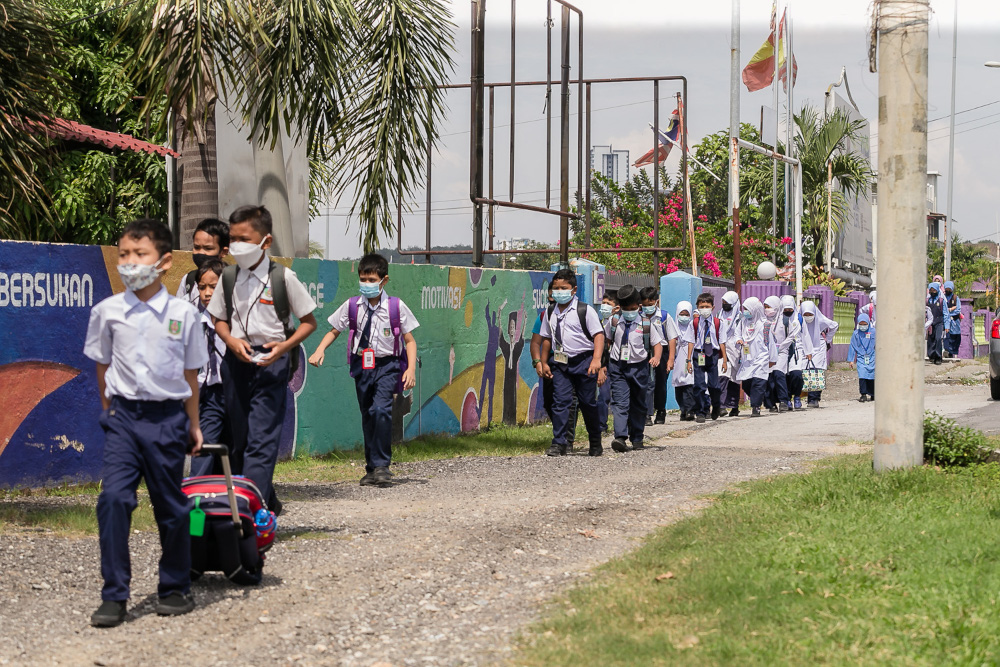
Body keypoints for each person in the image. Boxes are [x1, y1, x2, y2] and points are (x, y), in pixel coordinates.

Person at [83, 219, 209, 627]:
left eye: (140, 255)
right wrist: (110, 412)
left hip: (169, 419)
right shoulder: (108, 312)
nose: (130, 263)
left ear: (164, 261)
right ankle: (114, 595)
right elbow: (103, 367)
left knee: (171, 506)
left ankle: (174, 587)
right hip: (123, 419)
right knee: (114, 501)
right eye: (124, 255)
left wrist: (193, 425)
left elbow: (191, 374)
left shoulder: (183, 314)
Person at [208, 205, 317, 512]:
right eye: (233, 238)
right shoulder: (228, 277)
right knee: (240, 440)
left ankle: (248, 512)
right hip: (236, 362)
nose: (236, 245)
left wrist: (284, 348)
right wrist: (229, 341)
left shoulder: (283, 278)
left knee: (261, 440)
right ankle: (266, 498)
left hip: (273, 362)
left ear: (265, 242)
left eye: (245, 238)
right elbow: (218, 319)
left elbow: (309, 322)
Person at [308, 253, 418, 486]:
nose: (366, 284)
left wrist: (410, 370)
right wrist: (320, 350)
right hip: (362, 366)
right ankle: (372, 468)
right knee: (368, 414)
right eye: (363, 279)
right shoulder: (352, 306)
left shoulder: (395, 307)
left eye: (371, 280)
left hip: (388, 365)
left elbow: (410, 341)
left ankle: (382, 466)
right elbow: (333, 330)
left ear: (384, 280)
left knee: (381, 410)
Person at [538, 268, 606, 456]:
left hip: (584, 361)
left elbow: (599, 335)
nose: (559, 292)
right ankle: (559, 443)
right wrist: (544, 362)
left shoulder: (585, 310)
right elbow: (546, 338)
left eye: (564, 288)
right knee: (560, 402)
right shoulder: (550, 311)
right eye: (556, 288)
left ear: (574, 290)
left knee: (587, 403)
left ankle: (595, 440)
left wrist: (596, 360)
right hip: (561, 363)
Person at [605, 285, 663, 452]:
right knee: (620, 403)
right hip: (618, 367)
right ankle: (620, 437)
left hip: (639, 368)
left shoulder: (646, 324)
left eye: (632, 309)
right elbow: (607, 340)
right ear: (620, 308)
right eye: (625, 309)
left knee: (638, 403)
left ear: (639, 306)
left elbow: (657, 343)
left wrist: (656, 357)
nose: (629, 312)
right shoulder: (614, 321)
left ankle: (637, 437)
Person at [188, 258, 230, 477]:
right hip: (211, 394)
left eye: (213, 287)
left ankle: (259, 496)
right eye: (202, 287)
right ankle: (195, 497)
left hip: (236, 392)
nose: (206, 293)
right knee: (204, 444)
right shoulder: (195, 321)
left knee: (242, 446)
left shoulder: (237, 320)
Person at [689, 292, 728, 422]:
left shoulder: (718, 323)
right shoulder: (694, 323)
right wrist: (688, 360)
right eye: (701, 306)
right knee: (699, 385)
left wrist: (725, 361)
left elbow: (722, 342)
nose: (704, 309)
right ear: (697, 308)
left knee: (714, 385)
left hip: (713, 354)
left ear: (712, 307)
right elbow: (691, 342)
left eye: (707, 306)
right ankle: (701, 411)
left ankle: (716, 405)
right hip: (698, 353)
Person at [735, 297, 776, 417]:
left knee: (758, 383)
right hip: (747, 358)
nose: (745, 311)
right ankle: (761, 399)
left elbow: (771, 343)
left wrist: (772, 359)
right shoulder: (743, 322)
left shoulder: (765, 325)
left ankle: (755, 407)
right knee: (747, 384)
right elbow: (738, 334)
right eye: (744, 309)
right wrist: (739, 340)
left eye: (747, 309)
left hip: (761, 359)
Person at [640, 286, 675, 425]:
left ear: (656, 302)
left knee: (660, 384)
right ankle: (647, 414)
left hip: (663, 352)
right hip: (645, 352)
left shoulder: (664, 316)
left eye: (650, 304)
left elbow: (672, 338)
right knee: (648, 383)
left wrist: (671, 359)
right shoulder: (639, 316)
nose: (647, 308)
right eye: (644, 305)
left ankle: (660, 410)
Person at [175, 218, 230, 306]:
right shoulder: (188, 280)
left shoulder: (232, 281)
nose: (201, 253)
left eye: (208, 248)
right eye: (197, 247)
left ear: (223, 252)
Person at [799, 300, 839, 408]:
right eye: (805, 314)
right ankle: (804, 396)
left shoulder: (821, 319)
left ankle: (814, 399)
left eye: (810, 314)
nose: (808, 317)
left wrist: (828, 340)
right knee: (804, 371)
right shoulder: (798, 321)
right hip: (803, 347)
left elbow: (834, 325)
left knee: (816, 372)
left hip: (818, 347)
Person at [775, 295, 804, 410]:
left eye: (790, 310)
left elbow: (803, 335)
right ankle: (786, 399)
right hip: (781, 350)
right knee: (783, 375)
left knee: (796, 374)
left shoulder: (798, 318)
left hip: (796, 349)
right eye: (785, 310)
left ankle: (797, 396)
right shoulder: (777, 319)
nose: (787, 312)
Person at [596, 293, 619, 433]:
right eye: (603, 303)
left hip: (617, 364)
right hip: (603, 365)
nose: (604, 307)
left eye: (608, 304)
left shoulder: (618, 323)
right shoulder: (598, 322)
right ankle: (601, 426)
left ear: (616, 308)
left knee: (618, 398)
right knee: (603, 396)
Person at [718, 291, 743, 416]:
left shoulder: (740, 318)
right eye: (723, 302)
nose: (724, 305)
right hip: (722, 350)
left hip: (735, 351)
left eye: (727, 303)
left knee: (734, 379)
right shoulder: (719, 314)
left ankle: (734, 406)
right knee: (722, 377)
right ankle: (721, 406)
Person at [672, 301, 696, 421]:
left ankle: (690, 410)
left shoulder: (692, 327)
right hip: (677, 360)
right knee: (679, 385)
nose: (684, 317)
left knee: (688, 384)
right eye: (682, 314)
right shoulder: (673, 327)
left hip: (689, 357)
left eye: (687, 314)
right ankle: (683, 410)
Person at [848, 312, 876, 401]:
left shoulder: (874, 332)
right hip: (861, 358)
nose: (863, 326)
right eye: (861, 324)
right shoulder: (856, 334)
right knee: (862, 375)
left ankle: (873, 394)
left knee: (872, 376)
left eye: (865, 324)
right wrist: (851, 360)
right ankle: (863, 394)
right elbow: (852, 346)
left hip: (872, 357)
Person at [761, 295, 782, 412]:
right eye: (765, 307)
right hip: (765, 354)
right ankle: (770, 404)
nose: (767, 309)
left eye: (769, 307)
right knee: (767, 381)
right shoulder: (762, 320)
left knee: (776, 380)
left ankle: (783, 400)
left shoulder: (783, 320)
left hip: (781, 353)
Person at [925, 281, 946, 365]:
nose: (933, 292)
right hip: (930, 323)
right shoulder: (927, 301)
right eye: (931, 290)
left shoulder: (941, 301)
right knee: (931, 339)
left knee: (938, 339)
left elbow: (946, 313)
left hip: (939, 322)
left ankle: (938, 357)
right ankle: (931, 355)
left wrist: (947, 326)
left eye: (934, 290)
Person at [944, 281, 962, 358]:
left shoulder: (955, 298)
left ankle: (953, 352)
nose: (948, 290)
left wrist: (949, 311)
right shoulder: (943, 298)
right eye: (946, 289)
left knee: (955, 336)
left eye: (949, 289)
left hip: (954, 321)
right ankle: (947, 351)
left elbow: (958, 309)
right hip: (945, 320)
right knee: (946, 337)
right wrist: (949, 310)